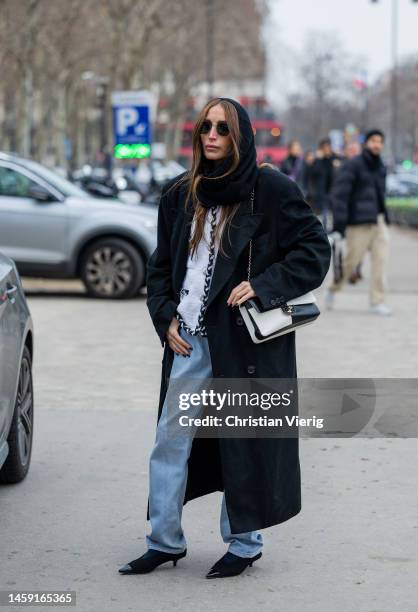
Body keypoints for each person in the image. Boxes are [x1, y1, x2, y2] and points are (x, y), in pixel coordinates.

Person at [119, 97, 331, 579]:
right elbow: (160, 269)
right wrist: (165, 317)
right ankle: (163, 540)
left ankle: (243, 544)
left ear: (241, 136)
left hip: (244, 344)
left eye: (223, 129)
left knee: (243, 441)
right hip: (189, 341)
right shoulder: (180, 194)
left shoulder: (270, 189)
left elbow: (315, 251)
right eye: (205, 128)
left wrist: (263, 284)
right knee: (169, 442)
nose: (212, 136)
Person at [325, 129, 392, 316]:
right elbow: (339, 196)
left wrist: (385, 217)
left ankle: (377, 302)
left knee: (381, 262)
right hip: (358, 223)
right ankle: (333, 289)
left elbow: (381, 195)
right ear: (366, 143)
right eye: (373, 140)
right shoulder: (353, 165)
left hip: (378, 222)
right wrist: (339, 226)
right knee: (350, 264)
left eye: (380, 141)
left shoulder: (381, 166)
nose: (377, 144)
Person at [311, 137, 343, 230]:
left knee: (331, 214)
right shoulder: (318, 160)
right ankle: (321, 231)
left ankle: (330, 231)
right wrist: (318, 159)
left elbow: (339, 171)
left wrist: (336, 158)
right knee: (322, 214)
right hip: (320, 192)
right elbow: (314, 173)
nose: (326, 150)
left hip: (333, 191)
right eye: (324, 148)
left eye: (328, 147)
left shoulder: (335, 158)